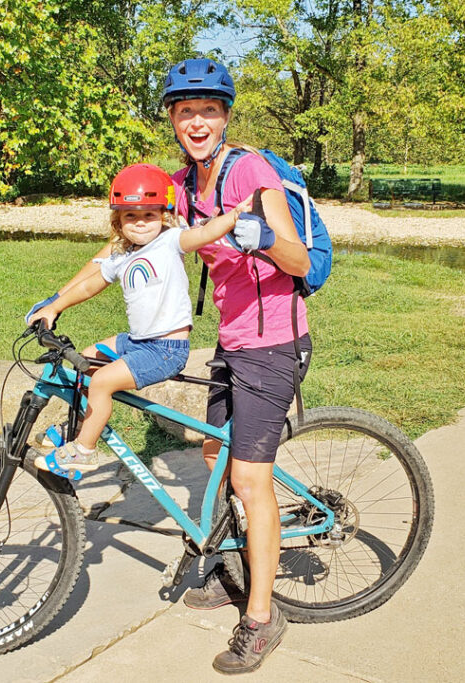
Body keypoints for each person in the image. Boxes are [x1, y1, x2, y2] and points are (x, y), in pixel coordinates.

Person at [25, 57, 312, 675]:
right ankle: (231, 560)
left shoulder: (252, 171)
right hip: (232, 342)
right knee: (215, 457)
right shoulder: (180, 187)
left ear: (225, 115)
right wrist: (55, 300)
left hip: (272, 342)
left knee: (250, 481)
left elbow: (297, 261)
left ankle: (262, 617)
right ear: (174, 122)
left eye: (209, 109)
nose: (198, 121)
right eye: (186, 112)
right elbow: (117, 251)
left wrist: (260, 235)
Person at [27, 163, 253, 475]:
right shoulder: (122, 255)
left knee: (102, 382)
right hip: (136, 342)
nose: (141, 223)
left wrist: (234, 216)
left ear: (163, 215)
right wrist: (54, 306)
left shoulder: (171, 241)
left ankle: (85, 451)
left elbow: (204, 233)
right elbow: (90, 283)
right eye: (131, 216)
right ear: (118, 222)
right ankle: (74, 429)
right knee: (87, 360)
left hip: (165, 349)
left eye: (150, 214)